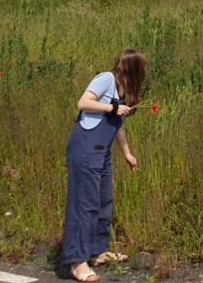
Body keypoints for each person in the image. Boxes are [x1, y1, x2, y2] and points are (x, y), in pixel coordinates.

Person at [62, 49, 146, 283]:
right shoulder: (105, 79)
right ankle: (77, 262)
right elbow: (83, 102)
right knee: (84, 205)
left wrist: (127, 154)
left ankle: (98, 252)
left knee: (103, 201)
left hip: (102, 152)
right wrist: (111, 108)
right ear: (131, 69)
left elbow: (117, 125)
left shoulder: (123, 91)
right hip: (85, 149)